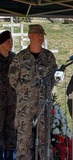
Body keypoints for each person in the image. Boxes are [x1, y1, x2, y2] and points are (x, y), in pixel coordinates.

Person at [8, 24, 57, 160]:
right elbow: (13, 79)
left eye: (42, 35)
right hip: (25, 106)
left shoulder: (48, 57)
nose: (41, 37)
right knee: (24, 139)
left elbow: (53, 78)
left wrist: (44, 91)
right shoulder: (20, 57)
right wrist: (26, 91)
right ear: (30, 36)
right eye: (38, 34)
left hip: (44, 104)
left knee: (45, 139)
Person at [0, 31, 17, 160]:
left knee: (11, 130)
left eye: (11, 41)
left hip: (12, 101)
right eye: (8, 42)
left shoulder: (15, 59)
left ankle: (10, 156)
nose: (11, 44)